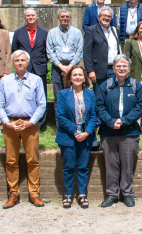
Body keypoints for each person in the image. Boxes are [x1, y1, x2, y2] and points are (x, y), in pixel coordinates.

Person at [0, 50, 47, 209]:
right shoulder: (5, 81)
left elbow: (42, 104)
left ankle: (34, 194)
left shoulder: (36, 80)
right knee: (11, 160)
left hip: (29, 124)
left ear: (28, 62)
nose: (19, 63)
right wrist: (6, 122)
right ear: (13, 62)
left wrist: (31, 122)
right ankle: (13, 194)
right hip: (11, 124)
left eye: (22, 60)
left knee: (32, 160)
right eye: (17, 60)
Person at [97, 54, 142, 208]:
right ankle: (111, 194)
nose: (122, 68)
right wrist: (111, 121)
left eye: (124, 65)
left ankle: (127, 194)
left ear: (129, 68)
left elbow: (141, 106)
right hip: (108, 132)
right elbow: (99, 106)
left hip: (129, 132)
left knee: (127, 164)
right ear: (113, 68)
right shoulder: (105, 85)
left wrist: (124, 120)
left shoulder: (136, 85)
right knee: (111, 165)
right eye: (118, 66)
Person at [55, 65, 97, 209]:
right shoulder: (63, 94)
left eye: (80, 75)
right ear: (70, 78)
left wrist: (87, 132)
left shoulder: (90, 94)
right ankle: (67, 195)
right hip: (68, 136)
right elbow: (60, 116)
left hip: (85, 137)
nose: (78, 77)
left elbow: (93, 116)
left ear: (84, 77)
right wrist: (75, 130)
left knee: (83, 167)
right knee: (68, 167)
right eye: (75, 75)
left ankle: (82, 194)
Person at [46, 7, 84, 135]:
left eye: (67, 16)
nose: (65, 18)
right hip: (58, 68)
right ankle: (60, 126)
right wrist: (61, 67)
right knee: (58, 98)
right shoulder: (51, 33)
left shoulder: (77, 32)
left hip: (73, 67)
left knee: (74, 96)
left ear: (70, 17)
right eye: (62, 16)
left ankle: (74, 124)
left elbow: (79, 51)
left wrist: (70, 66)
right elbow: (49, 51)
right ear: (58, 18)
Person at [11, 8, 49, 133]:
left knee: (40, 96)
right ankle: (24, 120)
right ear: (25, 17)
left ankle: (40, 124)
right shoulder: (18, 33)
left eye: (32, 15)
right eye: (28, 15)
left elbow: (47, 51)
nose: (30, 17)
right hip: (24, 69)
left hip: (39, 67)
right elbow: (15, 51)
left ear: (36, 16)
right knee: (24, 95)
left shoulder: (44, 32)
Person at [84, 6, 121, 99]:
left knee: (113, 97)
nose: (106, 18)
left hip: (113, 69)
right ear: (99, 17)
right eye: (104, 15)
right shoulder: (91, 30)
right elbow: (87, 52)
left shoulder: (115, 31)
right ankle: (98, 114)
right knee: (99, 97)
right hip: (98, 70)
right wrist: (90, 70)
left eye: (109, 16)